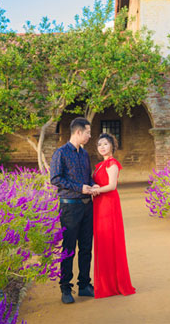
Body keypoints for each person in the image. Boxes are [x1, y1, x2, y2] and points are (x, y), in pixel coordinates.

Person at [49, 117, 97, 304]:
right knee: (69, 249)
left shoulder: (84, 154)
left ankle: (84, 285)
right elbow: (55, 179)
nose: (90, 135)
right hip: (70, 207)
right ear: (78, 132)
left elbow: (88, 177)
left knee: (86, 248)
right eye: (88, 132)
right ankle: (65, 288)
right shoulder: (60, 153)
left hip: (87, 206)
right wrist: (80, 187)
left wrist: (93, 185)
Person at [91, 133, 136, 298]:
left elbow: (112, 186)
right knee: (102, 241)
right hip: (99, 204)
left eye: (105, 144)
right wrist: (95, 185)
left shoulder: (112, 163)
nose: (102, 147)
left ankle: (114, 284)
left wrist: (95, 190)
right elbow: (100, 182)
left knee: (109, 240)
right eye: (99, 144)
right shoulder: (100, 165)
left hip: (108, 205)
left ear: (112, 146)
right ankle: (105, 282)